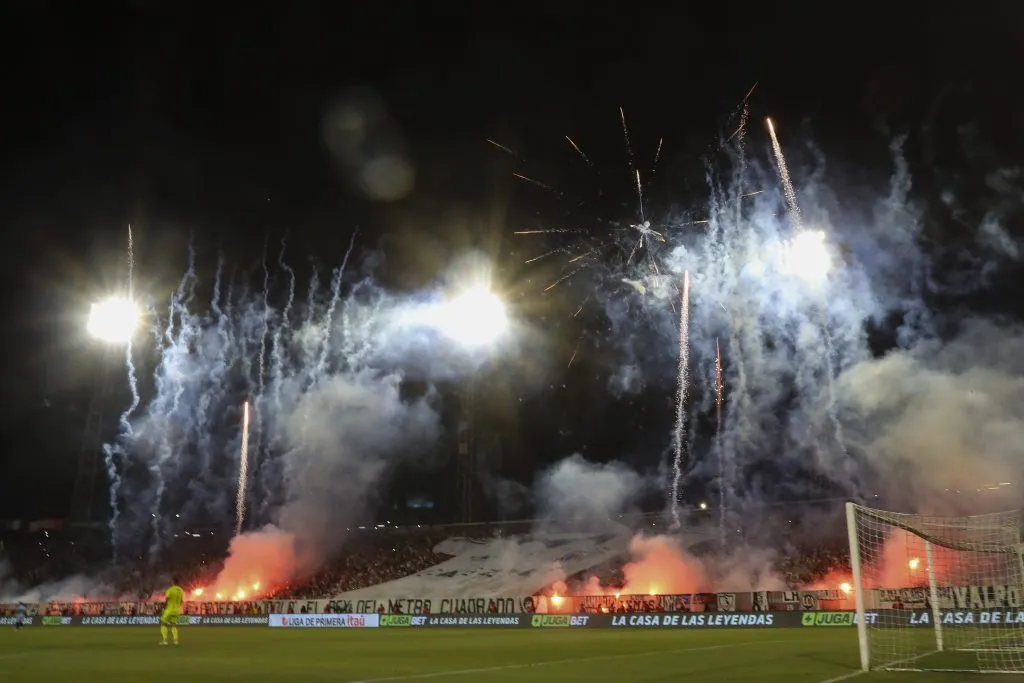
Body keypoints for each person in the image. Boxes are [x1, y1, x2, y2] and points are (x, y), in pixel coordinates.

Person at [160, 577, 185, 646]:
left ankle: (165, 641)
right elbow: (181, 601)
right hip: (177, 610)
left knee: (163, 624)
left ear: (173, 582)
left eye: (171, 581)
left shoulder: (170, 590)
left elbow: (167, 599)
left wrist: (163, 608)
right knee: (174, 625)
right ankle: (175, 641)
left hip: (169, 610)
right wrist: (177, 607)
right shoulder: (181, 590)